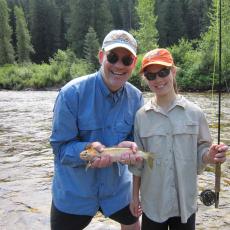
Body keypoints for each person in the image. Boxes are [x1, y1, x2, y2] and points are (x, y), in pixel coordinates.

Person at [50, 30, 144, 230]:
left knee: (133, 225)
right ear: (101, 57)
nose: (119, 65)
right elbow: (60, 150)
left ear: (134, 64)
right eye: (112, 57)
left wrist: (129, 147)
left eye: (126, 60)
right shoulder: (70, 94)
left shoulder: (136, 98)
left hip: (117, 191)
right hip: (74, 194)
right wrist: (88, 150)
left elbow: (132, 139)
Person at [129, 48, 228, 230]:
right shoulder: (140, 116)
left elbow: (203, 155)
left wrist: (211, 156)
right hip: (153, 205)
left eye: (163, 72)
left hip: (186, 205)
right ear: (146, 80)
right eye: (151, 76)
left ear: (173, 71)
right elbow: (138, 164)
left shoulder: (195, 113)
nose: (158, 79)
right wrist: (134, 197)